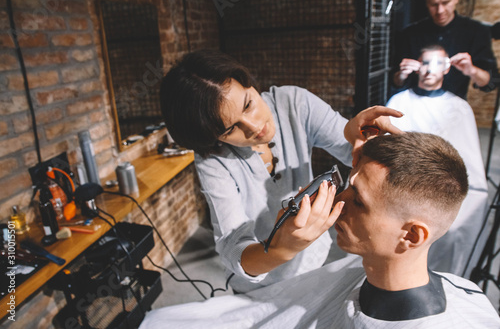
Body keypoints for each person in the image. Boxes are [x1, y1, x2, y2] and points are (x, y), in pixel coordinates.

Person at [139, 132, 500, 328]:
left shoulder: (467, 311)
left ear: (411, 236)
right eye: (347, 182)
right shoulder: (353, 274)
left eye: (356, 200)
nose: (335, 200)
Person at [160, 49, 403, 293]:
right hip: (260, 284)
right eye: (230, 129)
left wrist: (359, 140)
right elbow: (233, 246)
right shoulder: (213, 160)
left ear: (249, 84)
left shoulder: (294, 103)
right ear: (213, 138)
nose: (254, 127)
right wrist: (281, 248)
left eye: (248, 105)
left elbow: (354, 154)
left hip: (315, 261)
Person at [387, 44, 489, 276]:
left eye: (437, 64)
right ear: (417, 66)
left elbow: (468, 162)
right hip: (405, 183)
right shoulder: (399, 102)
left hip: (445, 184)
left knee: (456, 227)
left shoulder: (459, 108)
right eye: (425, 63)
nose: (429, 70)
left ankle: (445, 277)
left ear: (446, 69)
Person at [393, 0, 498, 100]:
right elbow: (395, 82)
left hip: (453, 110)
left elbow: (491, 83)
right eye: (434, 4)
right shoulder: (409, 34)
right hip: (415, 106)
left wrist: (472, 70)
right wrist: (402, 75)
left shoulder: (476, 32)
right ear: (426, 3)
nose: (440, 10)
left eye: (446, 2)